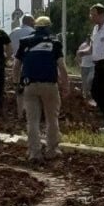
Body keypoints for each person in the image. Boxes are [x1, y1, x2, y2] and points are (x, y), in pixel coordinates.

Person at [14, 15, 69, 162]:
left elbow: (16, 66)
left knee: (32, 120)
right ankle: (51, 150)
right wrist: (66, 85)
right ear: (48, 27)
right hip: (50, 85)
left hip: (30, 85)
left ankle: (34, 153)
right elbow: (62, 67)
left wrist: (16, 83)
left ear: (36, 27)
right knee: (52, 119)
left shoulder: (25, 42)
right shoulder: (55, 43)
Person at [88, 3, 104, 131]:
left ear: (102, 14)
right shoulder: (95, 29)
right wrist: (83, 52)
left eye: (94, 15)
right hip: (97, 64)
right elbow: (93, 47)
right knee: (95, 92)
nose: (91, 17)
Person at [9, 14, 35, 118]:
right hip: (30, 65)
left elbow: (9, 48)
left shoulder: (13, 32)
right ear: (31, 22)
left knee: (19, 89)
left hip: (16, 63)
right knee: (31, 89)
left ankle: (20, 113)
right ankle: (30, 111)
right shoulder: (33, 33)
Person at [76, 35, 95, 101]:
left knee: (90, 79)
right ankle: (85, 96)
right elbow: (78, 53)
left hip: (92, 65)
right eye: (88, 38)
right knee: (84, 82)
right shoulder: (82, 45)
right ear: (86, 39)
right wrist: (79, 63)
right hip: (84, 66)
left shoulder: (94, 45)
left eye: (90, 38)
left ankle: (90, 93)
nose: (89, 40)